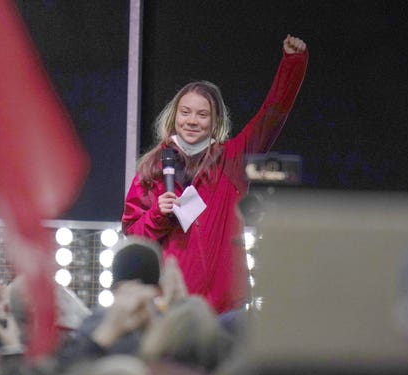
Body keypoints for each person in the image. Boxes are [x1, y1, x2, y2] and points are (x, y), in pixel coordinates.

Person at [122, 34, 308, 314]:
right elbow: (133, 237)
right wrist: (158, 214)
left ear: (215, 121)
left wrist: (293, 63)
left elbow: (274, 112)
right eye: (185, 112)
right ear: (175, 116)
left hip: (225, 308)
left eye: (202, 114)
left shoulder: (232, 160)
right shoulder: (154, 168)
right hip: (171, 307)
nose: (192, 121)